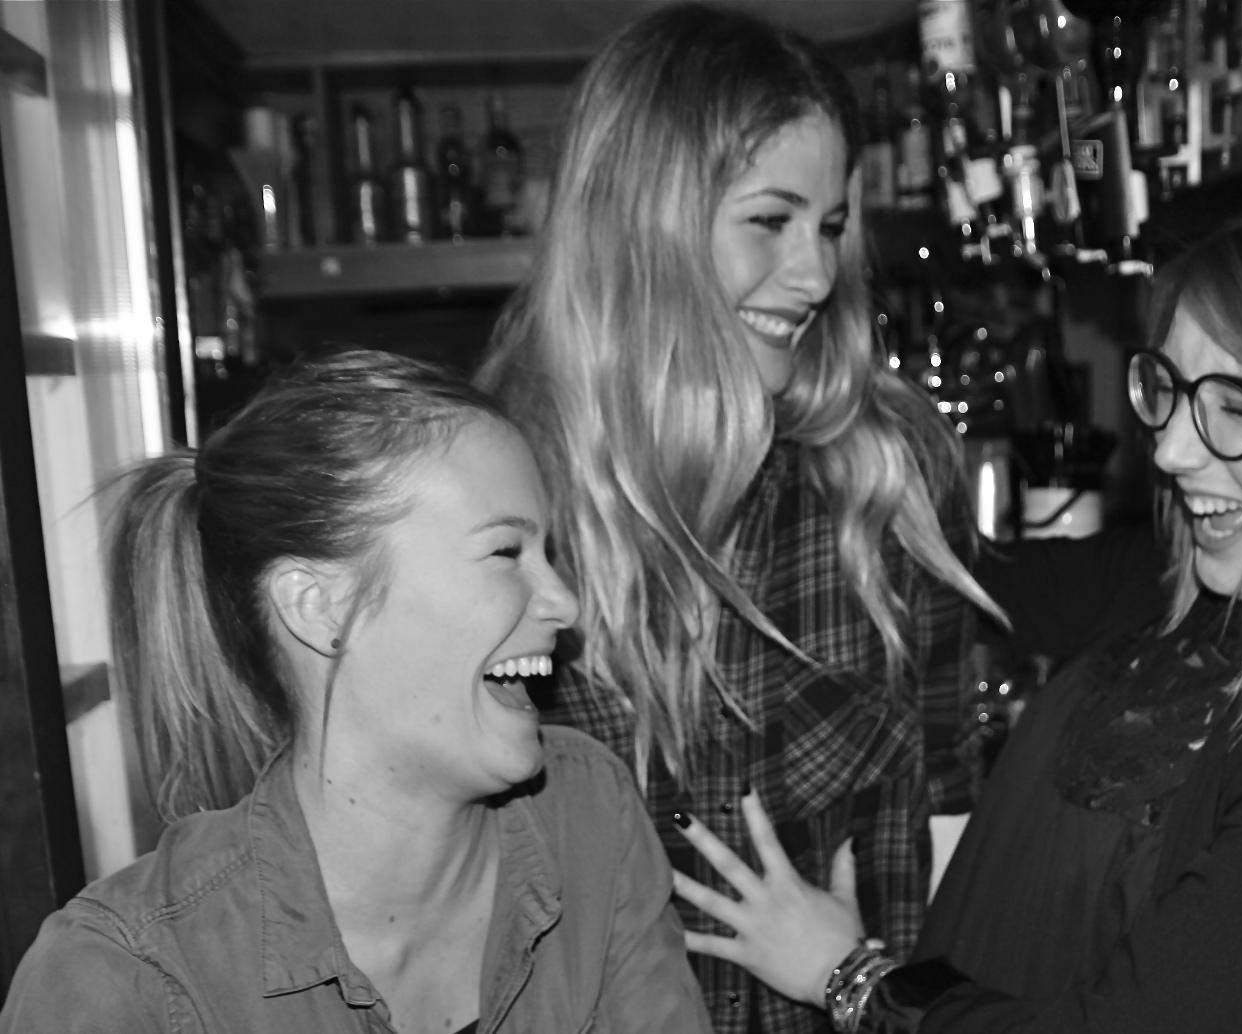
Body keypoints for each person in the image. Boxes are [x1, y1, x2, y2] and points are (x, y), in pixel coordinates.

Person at [670, 186, 1242, 1032]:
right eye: (1170, 388)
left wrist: (851, 977)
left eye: (1231, 406)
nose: (1169, 449)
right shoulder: (1170, 578)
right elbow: (925, 577)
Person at [474, 5, 1004, 1032]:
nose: (815, 275)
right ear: (644, 223)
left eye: (831, 227)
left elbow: (951, 815)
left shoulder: (882, 474)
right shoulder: (506, 498)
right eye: (770, 220)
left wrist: (878, 985)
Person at [0, 350, 712, 1034]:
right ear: (320, 608)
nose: (564, 602)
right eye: (506, 552)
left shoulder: (589, 814)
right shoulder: (118, 980)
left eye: (547, 554)